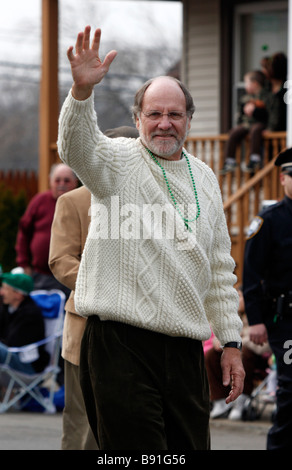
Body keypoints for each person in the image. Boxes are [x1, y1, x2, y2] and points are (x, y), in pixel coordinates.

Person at [57, 26, 244, 450]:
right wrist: (81, 93)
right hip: (119, 346)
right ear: (138, 117)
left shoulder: (206, 178)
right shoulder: (117, 160)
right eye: (154, 114)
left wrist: (230, 343)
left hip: (183, 350)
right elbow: (75, 147)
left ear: (189, 120)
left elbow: (219, 270)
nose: (164, 124)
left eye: (174, 115)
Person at [48, 126, 138, 451]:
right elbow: (60, 260)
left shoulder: (153, 202)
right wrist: (106, 288)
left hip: (141, 332)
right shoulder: (73, 201)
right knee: (83, 425)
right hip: (86, 328)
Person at [243, 147, 292, 449]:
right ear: (283, 179)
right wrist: (256, 320)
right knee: (291, 388)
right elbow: (251, 275)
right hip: (285, 321)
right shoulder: (269, 220)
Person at [206, 287, 271, 420]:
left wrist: (234, 344)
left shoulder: (259, 318)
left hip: (258, 356)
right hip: (237, 351)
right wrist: (221, 342)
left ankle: (240, 401)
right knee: (212, 355)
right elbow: (218, 334)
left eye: (240, 296)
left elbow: (262, 343)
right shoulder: (232, 316)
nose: (237, 300)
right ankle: (220, 400)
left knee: (244, 354)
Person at [15, 163, 78, 293]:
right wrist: (24, 263)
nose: (62, 184)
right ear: (50, 181)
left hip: (71, 277)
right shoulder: (39, 201)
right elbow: (24, 233)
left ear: (75, 183)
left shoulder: (80, 204)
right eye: (57, 180)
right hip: (40, 275)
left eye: (67, 180)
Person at [0, 270, 49, 374]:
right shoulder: (7, 308)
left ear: (18, 294)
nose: (0, 292)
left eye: (5, 288)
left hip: (26, 366)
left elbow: (13, 344)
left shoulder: (30, 315)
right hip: (8, 359)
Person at [220, 70, 269, 175]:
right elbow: (240, 114)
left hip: (259, 124)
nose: (245, 85)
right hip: (247, 124)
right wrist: (241, 120)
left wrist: (255, 111)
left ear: (255, 83)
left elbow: (268, 114)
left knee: (255, 130)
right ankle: (230, 161)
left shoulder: (266, 97)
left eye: (247, 82)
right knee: (234, 132)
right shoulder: (245, 98)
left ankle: (255, 158)